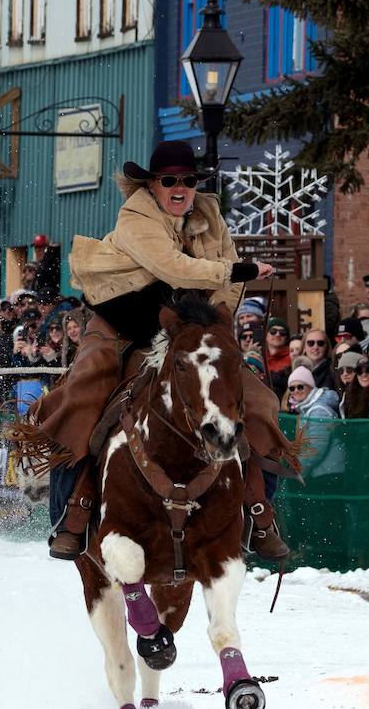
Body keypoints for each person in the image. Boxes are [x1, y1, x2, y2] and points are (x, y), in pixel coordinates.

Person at [20, 140, 289, 562]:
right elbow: (173, 267)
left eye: (189, 180)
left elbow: (228, 282)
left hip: (187, 330)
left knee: (258, 403)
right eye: (170, 180)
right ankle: (70, 517)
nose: (180, 188)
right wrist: (243, 270)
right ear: (153, 184)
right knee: (83, 395)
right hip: (122, 325)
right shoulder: (136, 217)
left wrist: (216, 322)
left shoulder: (210, 215)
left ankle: (259, 513)